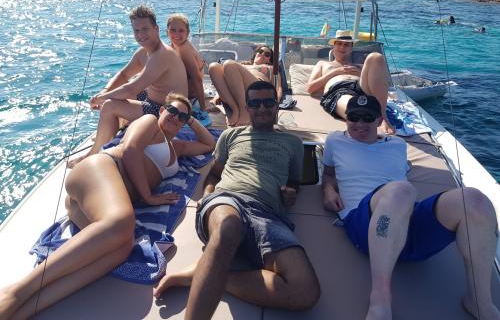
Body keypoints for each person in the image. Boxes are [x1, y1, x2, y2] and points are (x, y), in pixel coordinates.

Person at [0, 94, 215, 319]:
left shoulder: (177, 147)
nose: (176, 117)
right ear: (161, 110)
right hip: (101, 170)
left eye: (182, 116)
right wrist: (148, 197)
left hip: (97, 201)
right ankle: (16, 292)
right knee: (121, 222)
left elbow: (208, 144)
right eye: (172, 110)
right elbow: (131, 150)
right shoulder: (149, 122)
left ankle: (25, 309)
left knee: (122, 250)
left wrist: (191, 119)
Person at [321, 95, 500, 320]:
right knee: (401, 190)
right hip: (363, 223)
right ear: (346, 119)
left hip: (403, 219)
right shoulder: (335, 141)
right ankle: (380, 302)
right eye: (353, 117)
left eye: (367, 118)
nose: (359, 124)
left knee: (475, 200)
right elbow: (328, 174)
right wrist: (329, 190)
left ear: (379, 121)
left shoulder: (397, 145)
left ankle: (479, 301)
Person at [153, 81, 320, 320]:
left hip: (269, 214)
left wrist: (291, 192)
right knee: (228, 227)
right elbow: (214, 173)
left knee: (305, 291)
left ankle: (205, 273)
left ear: (276, 106)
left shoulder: (293, 144)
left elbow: (293, 182)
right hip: (228, 199)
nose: (261, 108)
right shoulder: (230, 135)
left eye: (268, 102)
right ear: (247, 107)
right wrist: (208, 193)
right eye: (254, 103)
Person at [68, 5, 188, 168]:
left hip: (167, 112)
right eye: (136, 31)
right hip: (152, 100)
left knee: (110, 105)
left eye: (145, 29)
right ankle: (111, 132)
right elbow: (124, 75)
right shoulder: (143, 53)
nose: (140, 35)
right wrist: (105, 91)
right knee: (118, 93)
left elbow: (132, 88)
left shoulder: (162, 55)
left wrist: (101, 98)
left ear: (156, 29)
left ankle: (93, 154)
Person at [306, 29, 395, 135]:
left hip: (362, 87)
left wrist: (360, 73)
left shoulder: (360, 66)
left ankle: (383, 117)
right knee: (358, 112)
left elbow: (379, 85)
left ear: (351, 49)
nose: (342, 47)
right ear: (333, 47)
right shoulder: (323, 64)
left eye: (346, 45)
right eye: (339, 44)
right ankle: (371, 113)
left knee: (376, 57)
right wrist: (335, 72)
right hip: (340, 91)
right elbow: (310, 88)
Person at [209, 45, 278, 126]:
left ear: (270, 60)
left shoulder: (271, 68)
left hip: (257, 88)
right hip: (236, 91)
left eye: (267, 54)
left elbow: (278, 88)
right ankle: (235, 109)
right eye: (260, 52)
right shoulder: (243, 64)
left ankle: (244, 110)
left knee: (229, 64)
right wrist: (218, 94)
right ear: (255, 54)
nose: (262, 54)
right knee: (213, 66)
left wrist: (275, 102)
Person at [167, 13, 209, 111]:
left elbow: (197, 80)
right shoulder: (174, 46)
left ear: (188, 32)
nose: (176, 34)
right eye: (173, 30)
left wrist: (203, 108)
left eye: (181, 30)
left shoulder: (185, 50)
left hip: (189, 96)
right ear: (167, 32)